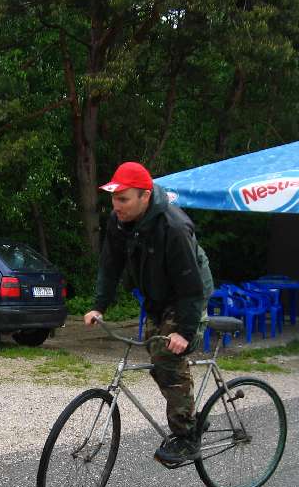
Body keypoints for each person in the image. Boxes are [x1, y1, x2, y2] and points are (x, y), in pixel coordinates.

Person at [84, 162, 214, 464]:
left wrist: (184, 331)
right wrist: (99, 305)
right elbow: (110, 265)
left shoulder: (174, 227)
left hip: (188, 294)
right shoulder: (119, 222)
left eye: (123, 199)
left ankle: (186, 437)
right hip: (157, 296)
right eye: (114, 198)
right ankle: (191, 414)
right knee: (157, 356)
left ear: (144, 196)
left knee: (167, 356)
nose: (116, 206)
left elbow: (191, 286)